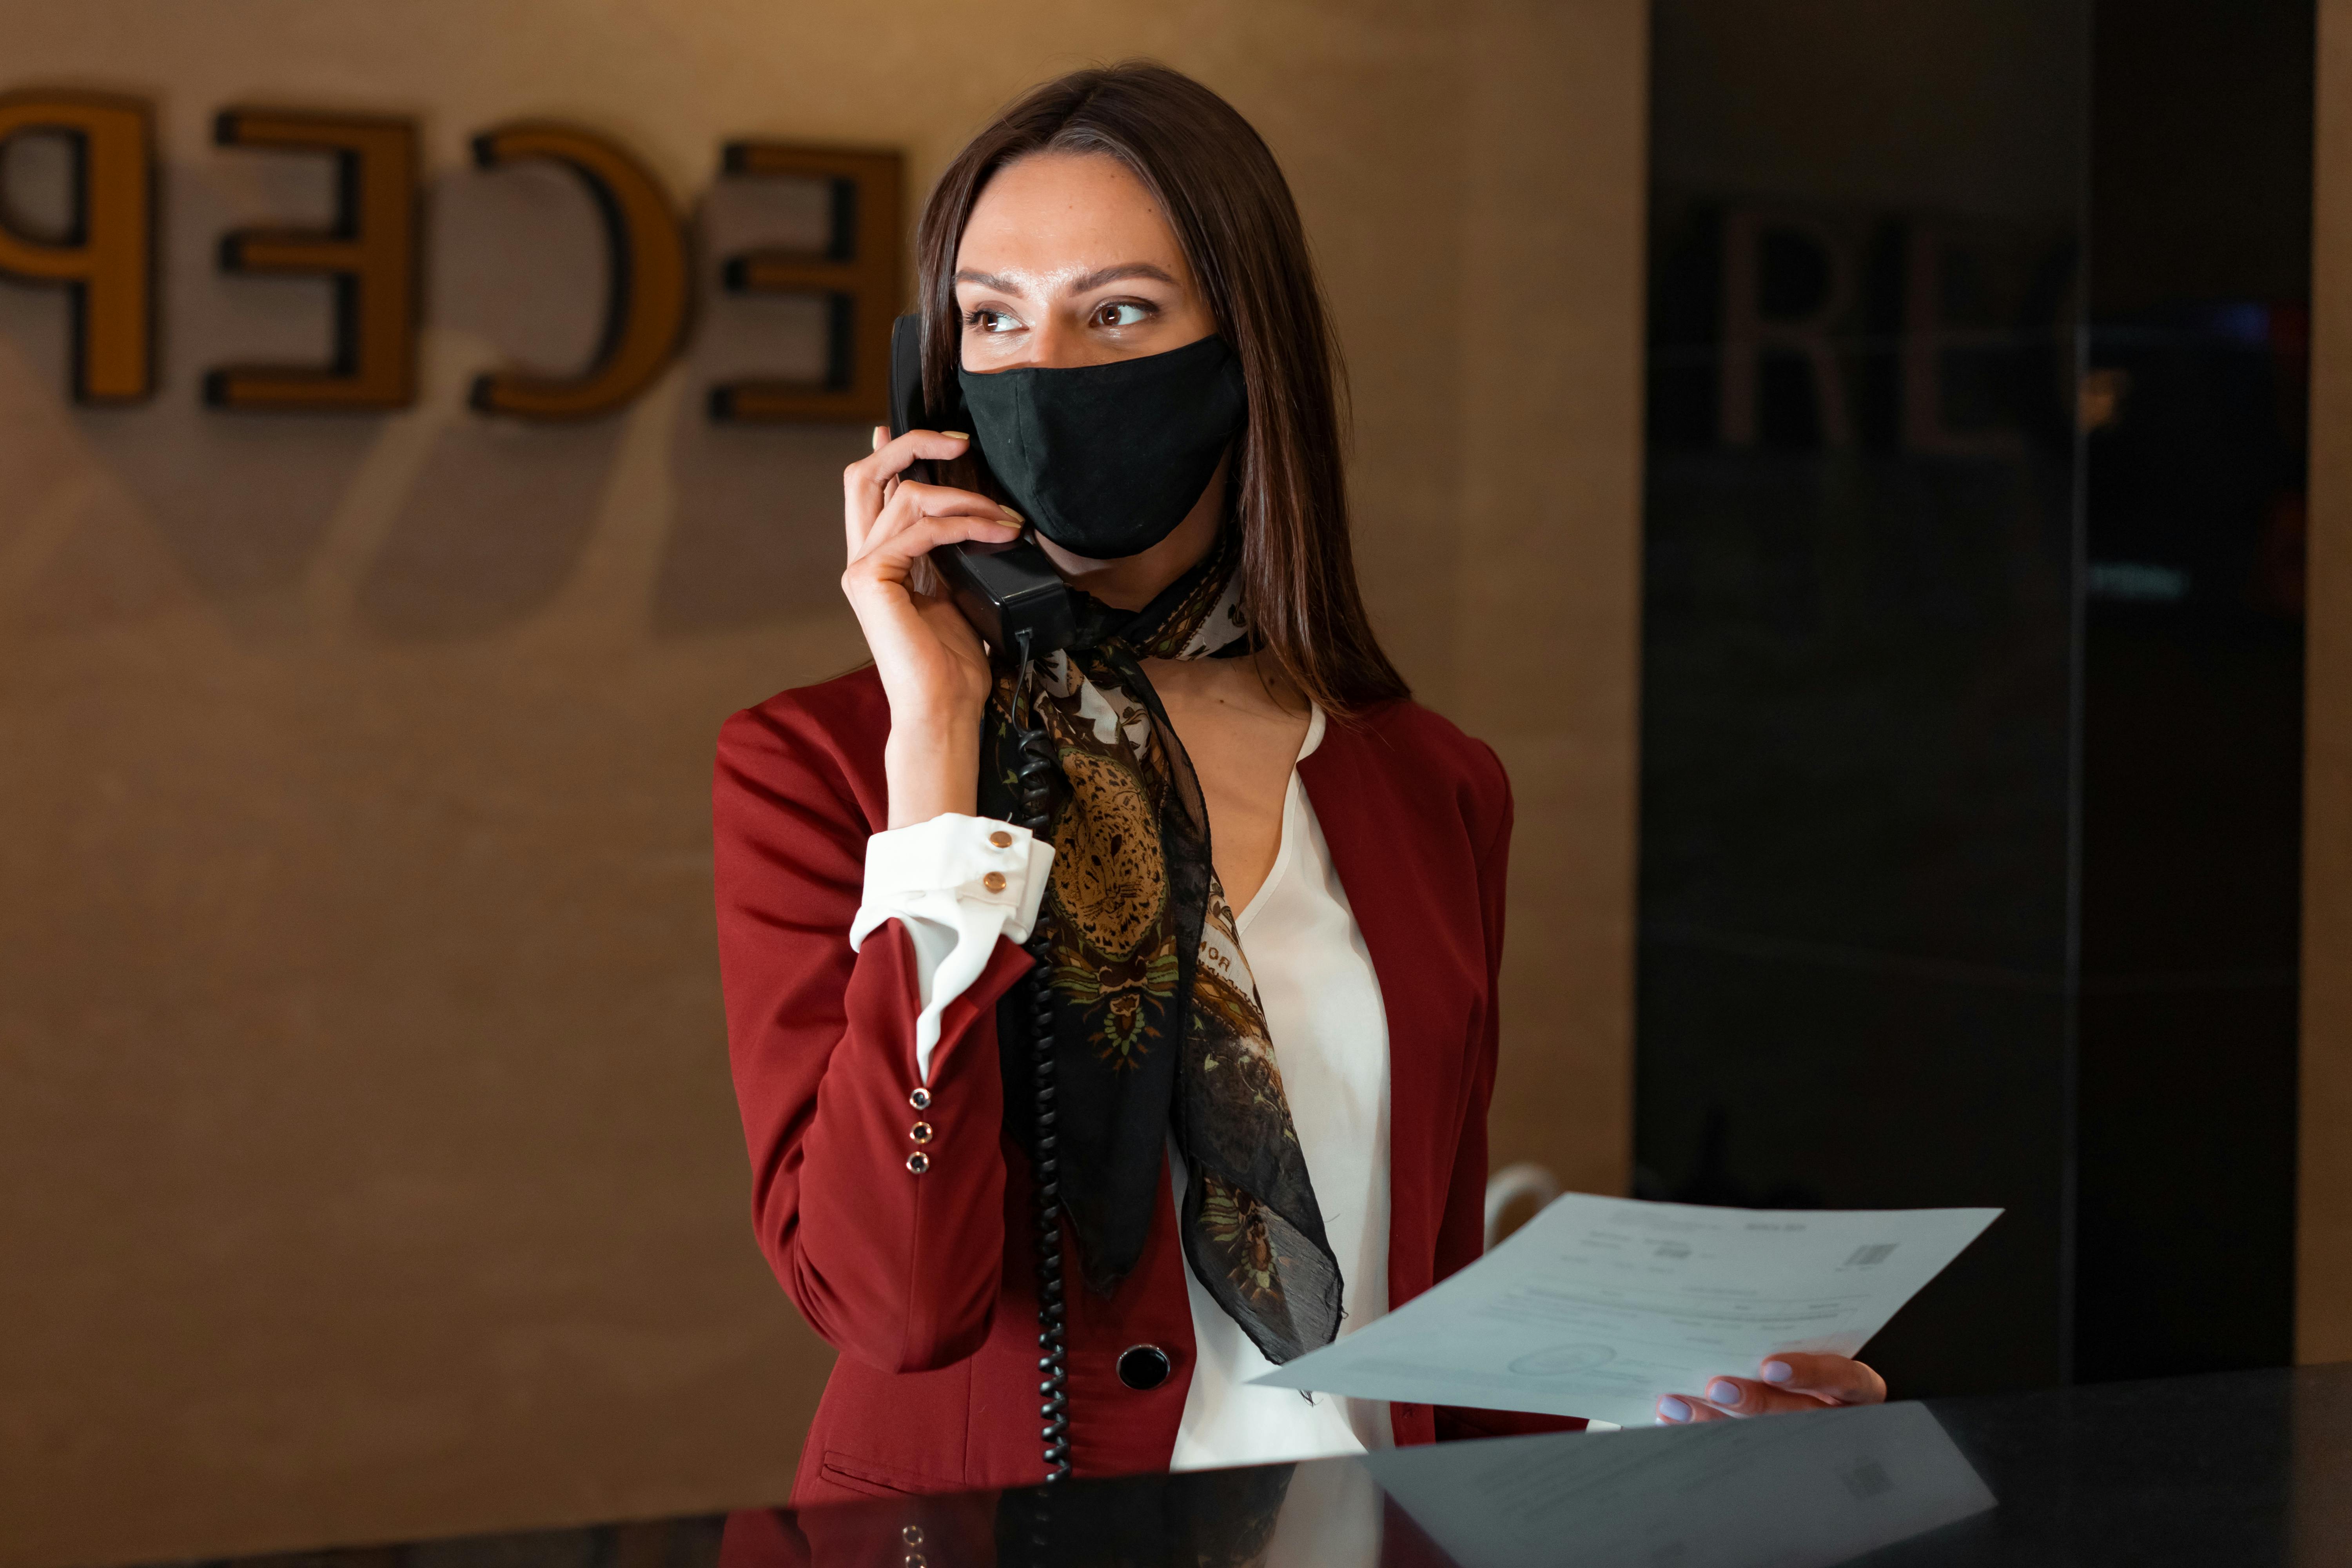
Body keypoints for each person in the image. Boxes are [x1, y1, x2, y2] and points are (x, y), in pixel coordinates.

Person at [711, 61, 1885, 1506]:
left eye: (1120, 311)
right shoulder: (826, 768)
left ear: (1243, 348)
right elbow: (895, 1303)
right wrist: (938, 752)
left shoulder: (1428, 782)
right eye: (994, 317)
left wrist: (1669, 1413)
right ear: (928, 379)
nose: (1047, 368)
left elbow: (1425, 1308)